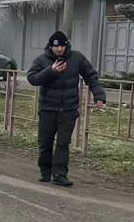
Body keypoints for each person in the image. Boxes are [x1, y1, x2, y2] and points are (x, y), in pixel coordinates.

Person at [27, 30, 106, 187]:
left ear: (66, 46)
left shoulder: (76, 58)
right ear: (50, 47)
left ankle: (60, 174)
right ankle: (45, 170)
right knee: (45, 143)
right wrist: (51, 71)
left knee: (63, 143)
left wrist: (99, 96)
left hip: (68, 109)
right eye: (55, 47)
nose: (59, 50)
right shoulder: (41, 60)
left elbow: (91, 76)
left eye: (62, 46)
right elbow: (32, 79)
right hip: (48, 108)